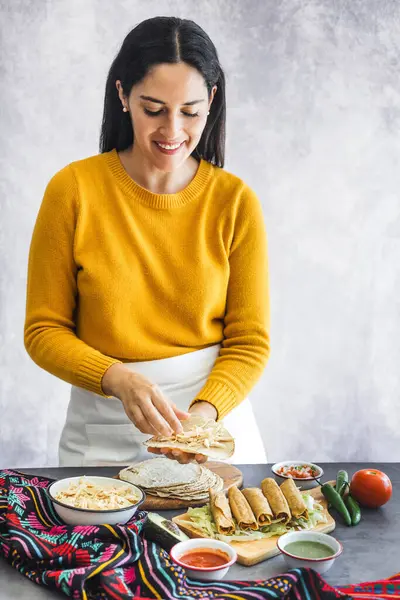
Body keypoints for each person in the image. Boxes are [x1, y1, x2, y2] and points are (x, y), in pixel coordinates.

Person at [24, 16, 270, 467]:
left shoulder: (235, 201)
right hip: (104, 426)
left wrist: (203, 415)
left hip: (212, 427)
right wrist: (115, 377)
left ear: (212, 101)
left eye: (190, 111)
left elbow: (249, 342)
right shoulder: (73, 190)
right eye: (153, 109)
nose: (172, 130)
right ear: (122, 95)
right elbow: (43, 331)